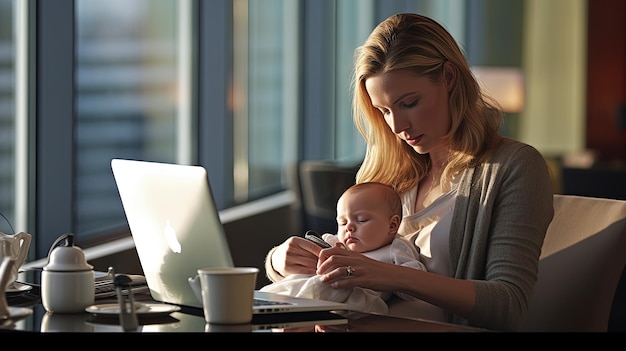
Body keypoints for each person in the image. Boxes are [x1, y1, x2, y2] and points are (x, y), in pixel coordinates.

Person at [264, 12, 554, 331]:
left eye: (410, 103)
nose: (397, 126)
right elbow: (347, 258)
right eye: (384, 110)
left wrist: (394, 276)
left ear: (448, 78)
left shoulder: (515, 166)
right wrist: (279, 260)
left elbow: (507, 305)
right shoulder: (386, 169)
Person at [260, 182, 425, 314]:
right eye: (342, 222)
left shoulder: (395, 248)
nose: (349, 228)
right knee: (294, 281)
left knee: (324, 285)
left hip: (361, 300)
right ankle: (263, 302)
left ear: (393, 224)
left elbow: (414, 284)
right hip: (324, 296)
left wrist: (386, 276)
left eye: (361, 220)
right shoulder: (336, 242)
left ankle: (286, 310)